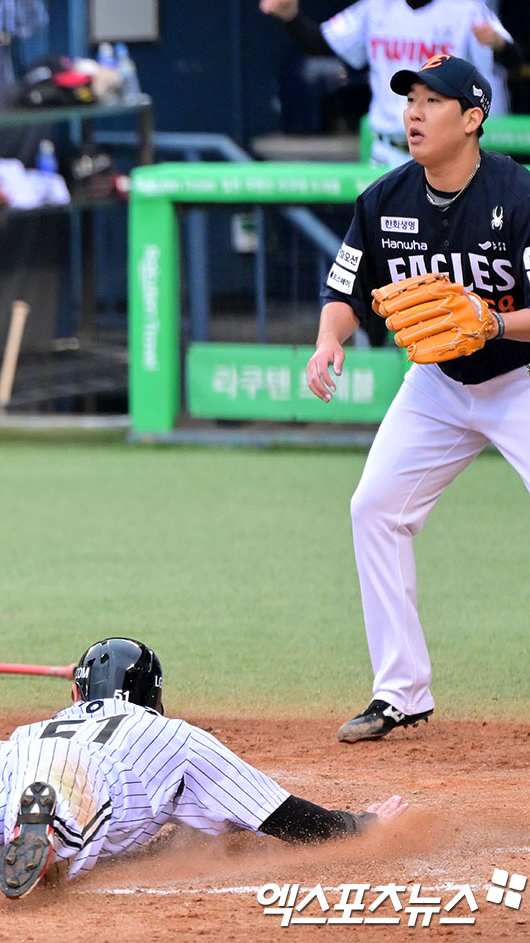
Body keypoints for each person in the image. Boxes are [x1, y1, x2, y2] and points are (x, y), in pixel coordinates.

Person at [306, 55, 530, 742]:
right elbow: (345, 292)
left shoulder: (519, 196)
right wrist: (328, 340)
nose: (413, 113)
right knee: (374, 506)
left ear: (473, 118)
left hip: (521, 375)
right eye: (410, 100)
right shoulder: (382, 200)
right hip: (437, 382)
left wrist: (493, 321)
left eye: (434, 102)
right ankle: (400, 691)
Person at [0, 638, 407, 898]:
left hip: (9, 757)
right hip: (77, 777)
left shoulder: (51, 719)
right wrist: (357, 824)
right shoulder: (171, 735)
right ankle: (48, 830)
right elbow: (278, 814)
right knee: (77, 807)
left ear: (82, 690)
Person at [260, 0, 519, 167]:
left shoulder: (467, 8)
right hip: (387, 152)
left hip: (450, 154)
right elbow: (321, 43)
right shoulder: (375, 7)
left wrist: (498, 46)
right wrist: (291, 16)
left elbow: (513, 59)